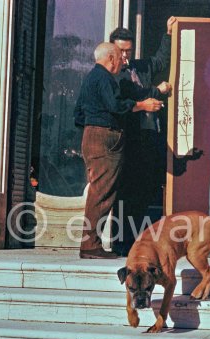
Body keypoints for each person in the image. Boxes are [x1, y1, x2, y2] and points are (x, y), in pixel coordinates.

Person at [74, 42, 163, 259]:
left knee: (99, 189)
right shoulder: (104, 78)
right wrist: (142, 105)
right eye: (120, 58)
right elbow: (116, 105)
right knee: (102, 192)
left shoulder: (91, 78)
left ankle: (91, 244)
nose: (124, 62)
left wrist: (92, 129)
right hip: (105, 136)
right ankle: (90, 245)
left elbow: (78, 114)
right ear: (111, 58)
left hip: (93, 135)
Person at [110, 17, 176, 257]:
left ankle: (138, 241)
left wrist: (168, 34)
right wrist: (156, 92)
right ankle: (120, 242)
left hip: (150, 138)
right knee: (125, 193)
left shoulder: (141, 66)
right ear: (111, 50)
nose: (125, 56)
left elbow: (160, 60)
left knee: (145, 192)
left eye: (129, 51)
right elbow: (129, 97)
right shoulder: (112, 75)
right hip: (129, 140)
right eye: (121, 51)